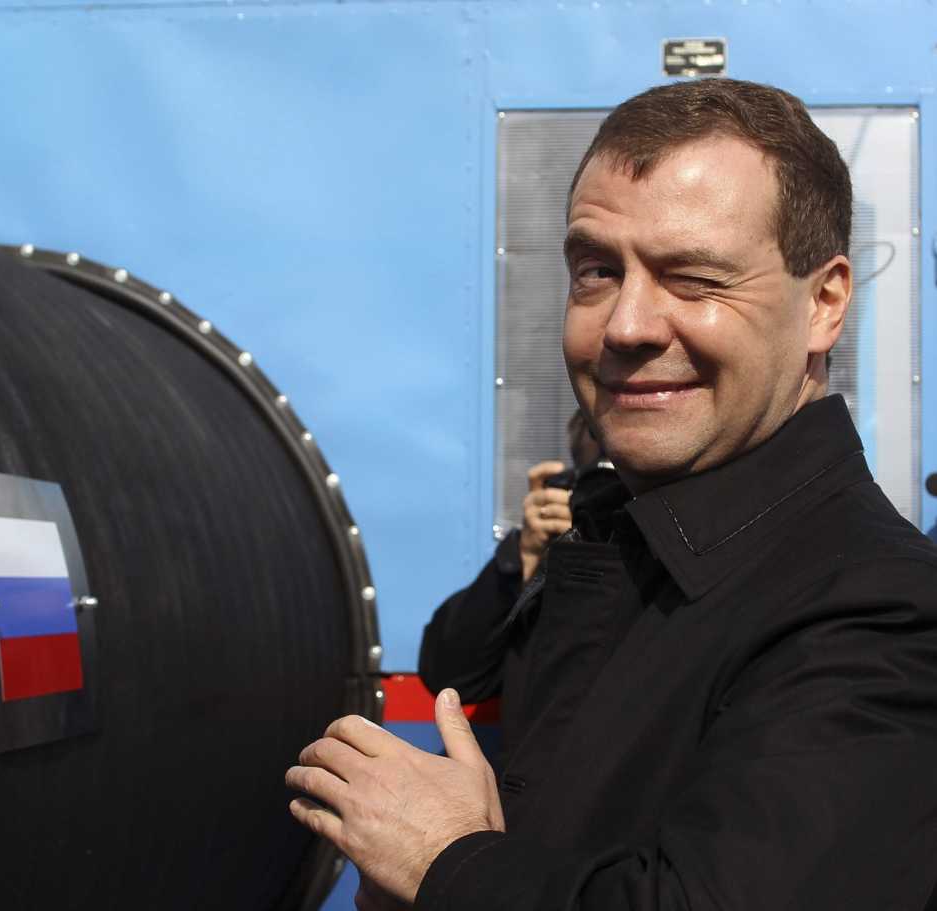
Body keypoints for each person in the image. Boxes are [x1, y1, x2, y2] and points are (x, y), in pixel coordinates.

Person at [285, 78, 937, 909]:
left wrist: (446, 864)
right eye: (596, 270)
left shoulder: (884, 611)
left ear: (825, 303)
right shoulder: (617, 535)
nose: (626, 326)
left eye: (693, 278)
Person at [417, 412, 620, 712]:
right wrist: (524, 556)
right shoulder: (550, 564)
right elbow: (451, 677)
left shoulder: (683, 566)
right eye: (595, 481)